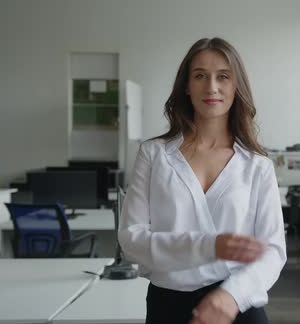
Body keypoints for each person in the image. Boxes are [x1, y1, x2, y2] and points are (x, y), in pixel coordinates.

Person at [118, 37, 287, 324]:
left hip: (236, 305)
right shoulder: (154, 154)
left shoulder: (257, 165)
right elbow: (131, 241)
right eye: (200, 76)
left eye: (223, 76)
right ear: (186, 86)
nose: (211, 87)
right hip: (168, 306)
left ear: (237, 86)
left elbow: (273, 251)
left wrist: (231, 296)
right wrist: (209, 246)